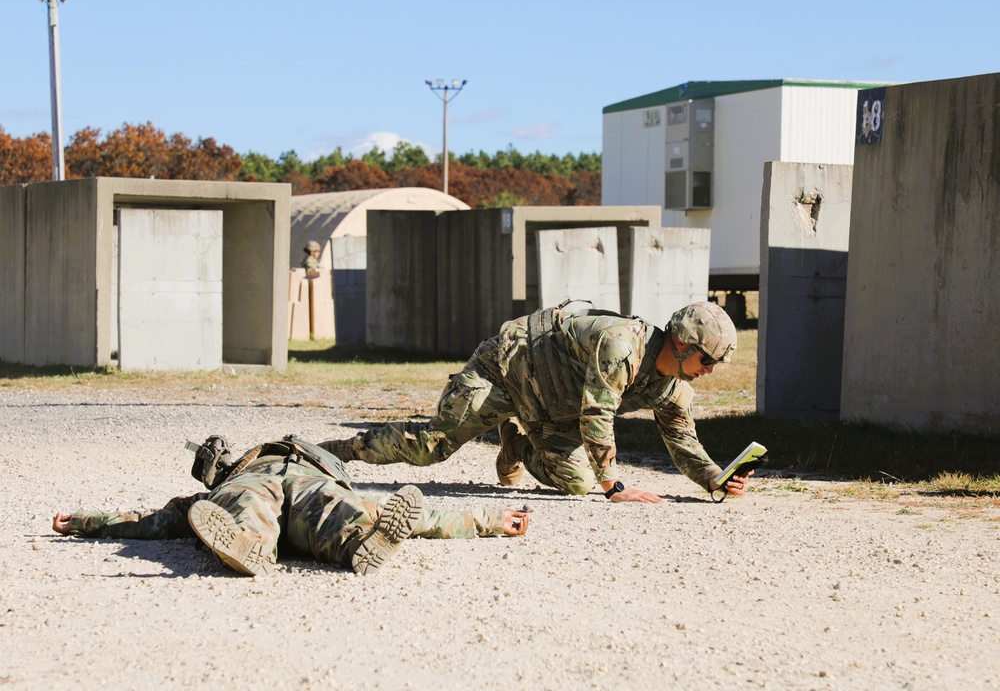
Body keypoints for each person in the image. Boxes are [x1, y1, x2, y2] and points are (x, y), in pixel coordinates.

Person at [321, 301, 753, 504]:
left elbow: (681, 436)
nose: (710, 370)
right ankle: (334, 451)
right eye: (708, 359)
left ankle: (516, 446)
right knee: (432, 447)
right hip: (506, 371)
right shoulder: (621, 346)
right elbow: (598, 414)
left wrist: (715, 478)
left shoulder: (675, 384)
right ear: (681, 343)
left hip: (550, 408)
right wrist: (616, 487)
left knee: (578, 483)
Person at [52, 434, 529, 577]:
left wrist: (488, 520)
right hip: (273, 486)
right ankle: (251, 547)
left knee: (343, 507)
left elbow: (149, 523)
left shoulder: (241, 478)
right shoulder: (229, 484)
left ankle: (359, 543)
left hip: (309, 484)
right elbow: (150, 521)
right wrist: (84, 522)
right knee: (330, 506)